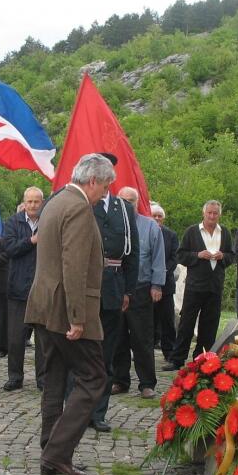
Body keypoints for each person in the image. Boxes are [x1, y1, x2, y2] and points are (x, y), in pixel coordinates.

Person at [26, 153, 111, 475]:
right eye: (104, 186)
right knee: (94, 378)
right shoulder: (77, 207)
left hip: (45, 305)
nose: (104, 193)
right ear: (92, 181)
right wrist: (77, 318)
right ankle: (57, 452)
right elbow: (73, 266)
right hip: (65, 309)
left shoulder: (56, 201)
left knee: (56, 377)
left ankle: (51, 452)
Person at [88, 153, 139, 432]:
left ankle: (98, 412)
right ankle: (76, 408)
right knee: (83, 351)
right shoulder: (84, 203)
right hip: (86, 285)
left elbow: (133, 254)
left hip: (114, 288)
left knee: (106, 353)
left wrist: (128, 290)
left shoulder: (123, 207)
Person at [164, 200, 234, 369]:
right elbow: (181, 255)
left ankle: (202, 359)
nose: (212, 216)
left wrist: (222, 256)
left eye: (215, 213)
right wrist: (198, 255)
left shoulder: (224, 232)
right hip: (195, 285)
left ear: (219, 214)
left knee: (210, 325)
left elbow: (232, 256)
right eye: (209, 213)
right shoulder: (192, 232)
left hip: (215, 285)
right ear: (204, 213)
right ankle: (177, 359)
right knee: (187, 322)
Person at [111, 187, 164, 398]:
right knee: (118, 337)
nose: (126, 204)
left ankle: (147, 383)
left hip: (141, 289)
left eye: (131, 201)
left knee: (142, 338)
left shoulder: (150, 227)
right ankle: (119, 380)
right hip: (116, 287)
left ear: (137, 202)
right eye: (123, 200)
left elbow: (158, 259)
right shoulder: (111, 225)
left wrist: (157, 285)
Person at [1, 186, 45, 391]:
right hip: (18, 288)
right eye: (30, 201)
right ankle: (15, 377)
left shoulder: (48, 222)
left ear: (42, 203)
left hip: (42, 288)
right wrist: (31, 240)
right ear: (24, 203)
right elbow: (9, 249)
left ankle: (43, 379)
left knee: (43, 339)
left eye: (37, 201)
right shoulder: (13, 222)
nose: (33, 205)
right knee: (16, 338)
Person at [150, 203, 178, 361]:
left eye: (160, 216)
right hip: (148, 284)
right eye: (154, 215)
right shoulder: (145, 232)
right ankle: (147, 350)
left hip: (166, 284)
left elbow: (174, 257)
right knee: (149, 320)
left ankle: (170, 352)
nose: (157, 218)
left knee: (167, 320)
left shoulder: (171, 235)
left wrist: (162, 272)